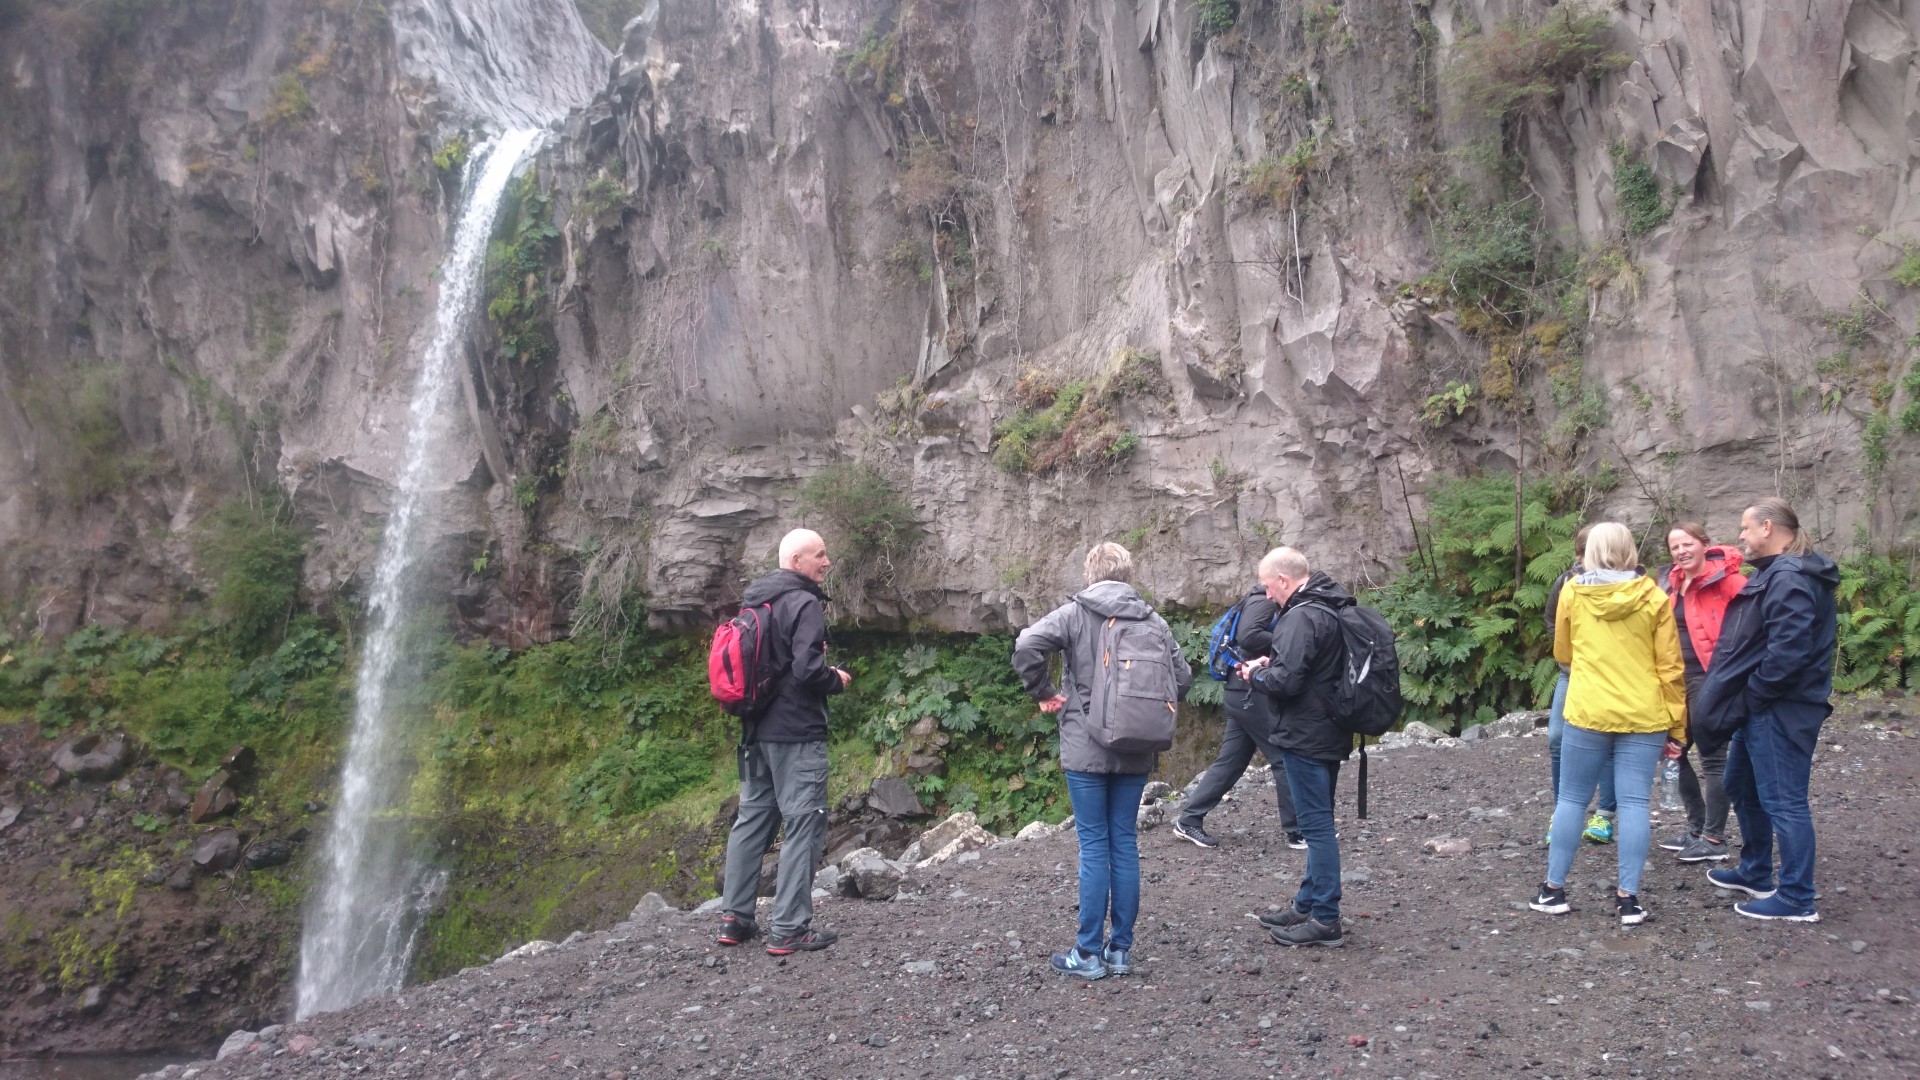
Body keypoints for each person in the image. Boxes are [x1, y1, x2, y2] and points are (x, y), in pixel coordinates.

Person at [1013, 542, 1191, 980]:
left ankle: (1087, 953)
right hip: (1137, 745)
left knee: (1094, 845)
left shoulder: (1075, 614)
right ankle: (1120, 952)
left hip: (1085, 744)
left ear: (1090, 573)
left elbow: (1027, 644)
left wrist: (1045, 692)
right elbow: (1183, 678)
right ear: (1128, 574)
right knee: (1124, 843)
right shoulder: (1152, 620)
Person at [1528, 522, 1686, 927]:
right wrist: (1678, 727)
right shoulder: (1654, 596)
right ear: (1630, 550)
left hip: (1589, 709)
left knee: (1571, 799)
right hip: (1644, 713)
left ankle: (1553, 891)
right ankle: (1628, 900)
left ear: (1591, 551)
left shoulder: (1572, 592)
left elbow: (1563, 652)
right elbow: (1670, 667)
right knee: (1634, 803)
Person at [1693, 498, 1838, 922]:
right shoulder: (1779, 572)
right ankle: (1755, 872)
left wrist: (1753, 696)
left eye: (1746, 527)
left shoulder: (1789, 577)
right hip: (1765, 706)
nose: (1741, 535)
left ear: (1768, 528)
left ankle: (1796, 897)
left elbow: (1788, 652)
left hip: (1781, 708)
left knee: (1784, 801)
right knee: (1741, 784)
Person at [715, 529, 853, 955]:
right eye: (819, 555)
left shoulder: (755, 603)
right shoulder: (803, 602)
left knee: (753, 819)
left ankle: (735, 919)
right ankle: (789, 927)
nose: (826, 561)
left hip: (754, 731)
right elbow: (808, 670)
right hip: (796, 733)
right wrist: (837, 679)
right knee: (804, 821)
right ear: (796, 561)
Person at [1237, 547, 1355, 948]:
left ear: (1283, 580)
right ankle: (1307, 903)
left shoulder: (1299, 616)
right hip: (1330, 729)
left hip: (1305, 735)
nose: (1267, 595)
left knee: (1316, 828)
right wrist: (1273, 665)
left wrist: (1255, 675)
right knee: (1319, 820)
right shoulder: (1331, 607)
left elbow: (1286, 683)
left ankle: (1325, 918)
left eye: (1268, 586)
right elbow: (1310, 671)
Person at [1172, 574, 1304, 851]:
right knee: (1283, 756)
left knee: (1231, 762)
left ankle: (1188, 820)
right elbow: (1248, 635)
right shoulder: (1263, 601)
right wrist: (1288, 637)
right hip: (1249, 692)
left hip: (1241, 691)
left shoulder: (1262, 601)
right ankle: (1298, 831)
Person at [1654, 522, 1746, 862]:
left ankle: (1713, 838)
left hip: (1711, 677)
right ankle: (1695, 827)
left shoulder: (1731, 581)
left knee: (1713, 756)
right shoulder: (1668, 584)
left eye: (1687, 544)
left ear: (1705, 544)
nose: (1681, 551)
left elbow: (1752, 628)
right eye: (1675, 547)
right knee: (1671, 750)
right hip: (1674, 679)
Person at [1544, 526, 1620, 844]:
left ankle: (1604, 815)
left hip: (1610, 674)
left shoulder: (1626, 583)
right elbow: (1552, 621)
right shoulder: (1566, 582)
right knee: (1557, 738)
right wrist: (1568, 657)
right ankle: (1563, 813)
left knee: (1607, 741)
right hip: (1572, 672)